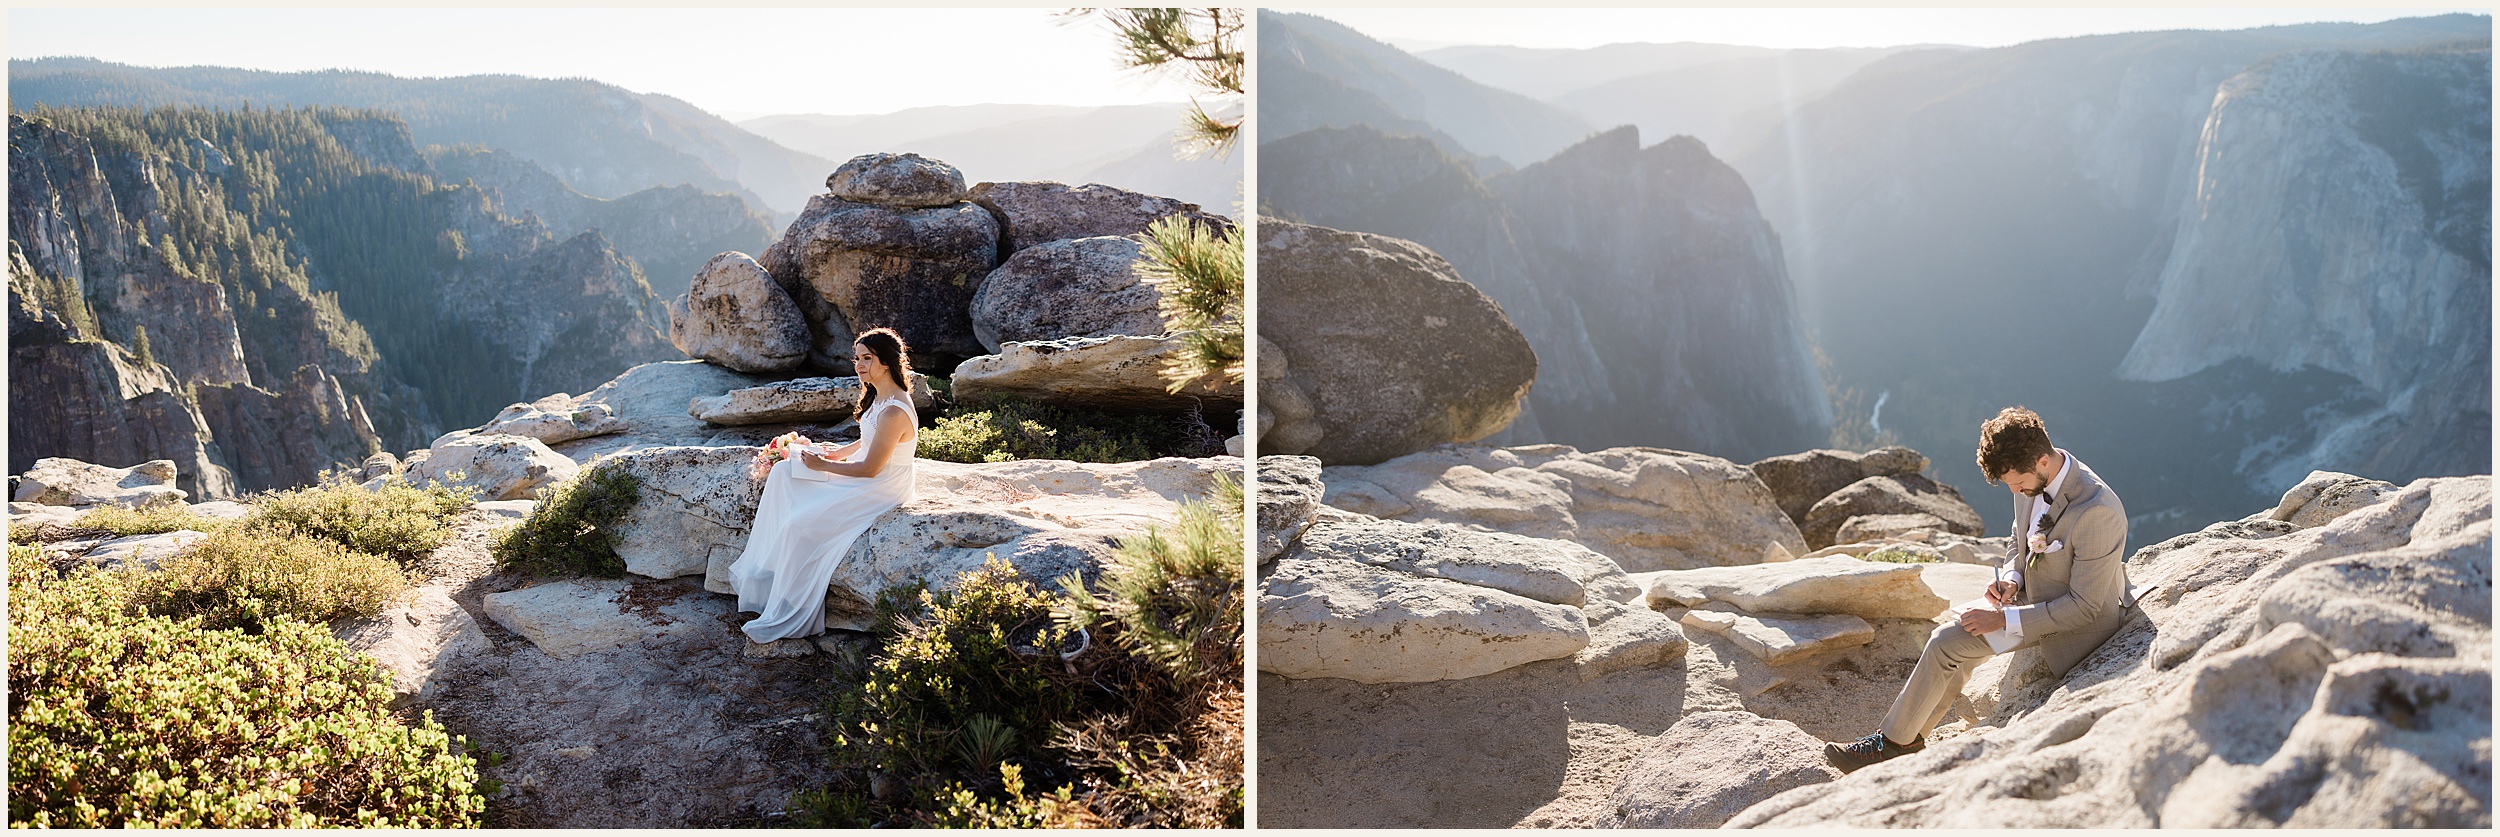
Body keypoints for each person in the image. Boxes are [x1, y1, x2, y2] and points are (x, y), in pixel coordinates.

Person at [1824, 406, 2133, 771]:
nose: (2016, 491)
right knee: (1947, 642)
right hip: (2032, 598)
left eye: (2018, 484)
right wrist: (2011, 579)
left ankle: (1892, 745)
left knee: (1948, 641)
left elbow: (2086, 607)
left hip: (2075, 624)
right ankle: (1902, 742)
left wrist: (2003, 619)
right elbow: (2021, 536)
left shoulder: (2097, 509)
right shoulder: (2030, 478)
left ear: (2043, 461)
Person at [728, 327, 920, 645]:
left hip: (881, 487)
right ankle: (764, 575)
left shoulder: (894, 410)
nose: (858, 365)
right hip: (869, 475)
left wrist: (825, 466)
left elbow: (872, 468)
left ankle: (790, 607)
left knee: (797, 524)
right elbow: (868, 440)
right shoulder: (880, 395)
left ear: (885, 362)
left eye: (867, 358)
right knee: (783, 474)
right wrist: (836, 452)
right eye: (856, 358)